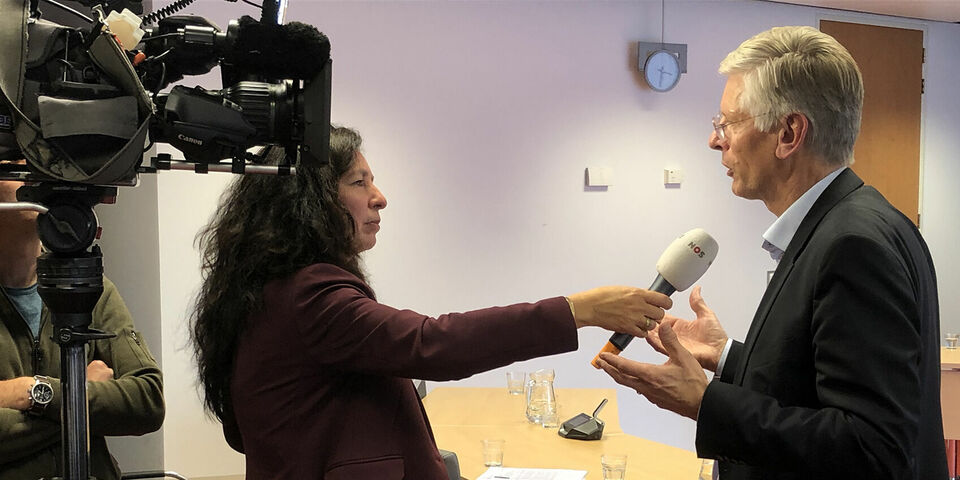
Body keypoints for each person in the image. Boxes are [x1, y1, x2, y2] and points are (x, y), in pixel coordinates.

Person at [191, 127, 674, 479]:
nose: (380, 197)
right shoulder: (310, 295)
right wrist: (577, 309)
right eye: (359, 183)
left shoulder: (273, 285)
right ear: (308, 200)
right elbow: (431, 343)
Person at [595, 26, 946, 479]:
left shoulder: (853, 245)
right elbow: (813, 386)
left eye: (728, 123)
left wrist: (705, 403)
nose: (715, 140)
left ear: (788, 133)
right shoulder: (849, 223)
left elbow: (870, 448)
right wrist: (726, 355)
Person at [0, 168, 165, 480]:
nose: (31, 176)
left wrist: (33, 392)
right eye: (14, 165)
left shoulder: (91, 287)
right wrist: (83, 400)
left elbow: (148, 401)